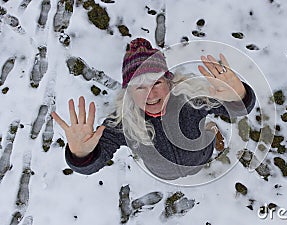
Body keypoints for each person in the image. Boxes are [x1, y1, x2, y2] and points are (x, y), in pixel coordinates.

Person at [51, 38, 256, 180]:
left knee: (205, 145)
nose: (151, 93)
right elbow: (95, 161)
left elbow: (236, 108)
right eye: (140, 86)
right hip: (162, 172)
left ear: (170, 82)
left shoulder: (189, 99)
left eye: (156, 82)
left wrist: (239, 96)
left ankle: (211, 130)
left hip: (201, 154)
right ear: (129, 93)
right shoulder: (122, 123)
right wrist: (80, 155)